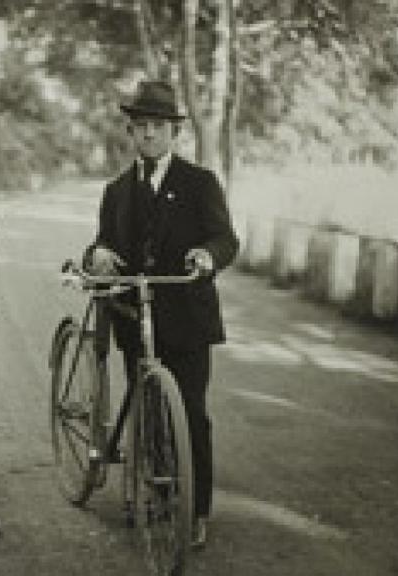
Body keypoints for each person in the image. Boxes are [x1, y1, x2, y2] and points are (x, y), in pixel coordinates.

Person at [85, 80, 239, 547]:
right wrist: (99, 255)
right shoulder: (116, 191)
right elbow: (101, 242)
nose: (149, 134)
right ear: (130, 132)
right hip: (135, 316)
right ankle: (157, 488)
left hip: (187, 316)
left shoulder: (199, 183)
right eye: (140, 126)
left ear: (175, 131)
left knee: (190, 411)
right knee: (148, 406)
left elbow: (225, 239)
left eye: (158, 126)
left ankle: (195, 510)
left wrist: (207, 256)